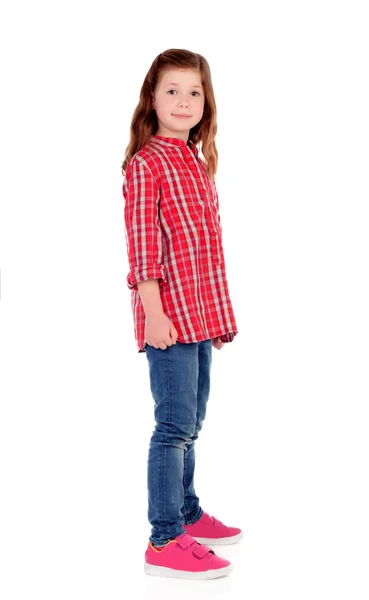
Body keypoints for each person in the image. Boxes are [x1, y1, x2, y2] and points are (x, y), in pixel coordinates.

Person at [121, 48, 242, 580]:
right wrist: (153, 315)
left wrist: (214, 317)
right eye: (172, 90)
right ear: (152, 97)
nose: (183, 100)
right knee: (171, 426)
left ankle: (187, 512)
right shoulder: (148, 164)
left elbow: (204, 248)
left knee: (192, 422)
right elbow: (145, 250)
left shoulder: (194, 160)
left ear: (205, 103)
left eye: (194, 91)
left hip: (197, 317)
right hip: (167, 320)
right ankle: (164, 538)